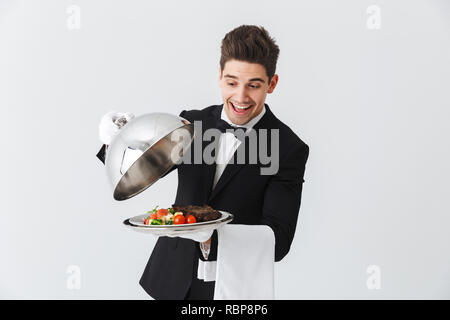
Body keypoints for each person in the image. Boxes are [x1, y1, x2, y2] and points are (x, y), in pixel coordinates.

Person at [96, 25, 310, 300]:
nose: (241, 97)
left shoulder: (288, 148)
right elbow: (142, 168)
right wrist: (114, 140)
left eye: (254, 85)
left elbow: (279, 242)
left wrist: (211, 238)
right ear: (220, 77)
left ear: (272, 83)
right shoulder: (192, 124)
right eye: (232, 83)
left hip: (231, 287)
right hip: (168, 281)